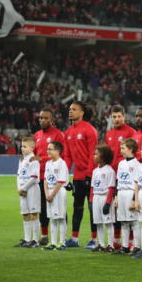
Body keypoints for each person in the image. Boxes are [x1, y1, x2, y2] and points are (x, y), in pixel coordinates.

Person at [64, 101, 98, 249]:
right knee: (77, 207)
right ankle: (74, 238)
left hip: (89, 176)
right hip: (77, 177)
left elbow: (93, 154)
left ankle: (94, 239)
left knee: (92, 207)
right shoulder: (68, 132)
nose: (71, 112)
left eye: (74, 109)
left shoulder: (89, 130)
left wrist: (89, 175)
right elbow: (68, 157)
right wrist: (64, 175)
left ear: (82, 112)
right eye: (70, 109)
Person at [105, 105, 135, 249]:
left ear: (124, 117)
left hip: (126, 177)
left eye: (119, 116)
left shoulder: (131, 132)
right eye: (114, 117)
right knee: (116, 211)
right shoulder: (109, 133)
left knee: (129, 213)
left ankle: (130, 242)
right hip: (112, 175)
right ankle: (117, 241)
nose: (117, 119)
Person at [33, 108, 65, 246]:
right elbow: (34, 155)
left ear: (51, 120)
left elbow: (61, 155)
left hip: (54, 177)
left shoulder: (58, 135)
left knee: (59, 209)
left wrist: (41, 158)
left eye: (45, 118)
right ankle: (45, 236)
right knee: (42, 208)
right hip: (41, 177)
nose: (42, 120)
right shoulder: (37, 135)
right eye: (40, 118)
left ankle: (61, 239)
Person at [113, 138, 140, 255]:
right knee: (123, 222)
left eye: (123, 148)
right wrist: (116, 197)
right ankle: (124, 247)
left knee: (134, 222)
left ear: (131, 149)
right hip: (121, 193)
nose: (121, 150)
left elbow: (137, 183)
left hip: (130, 192)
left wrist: (134, 199)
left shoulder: (137, 164)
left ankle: (137, 246)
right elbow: (118, 181)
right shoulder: (121, 163)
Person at [14, 137, 41, 248]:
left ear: (32, 147)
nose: (22, 148)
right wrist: (20, 189)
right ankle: (27, 239)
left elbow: (34, 178)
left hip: (32, 189)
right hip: (23, 191)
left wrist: (24, 188)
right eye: (21, 146)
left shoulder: (34, 159)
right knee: (25, 214)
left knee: (34, 214)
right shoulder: (21, 160)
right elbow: (18, 176)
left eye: (25, 146)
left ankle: (35, 240)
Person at [42, 141, 69, 251]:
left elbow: (61, 181)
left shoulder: (62, 164)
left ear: (57, 151)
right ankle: (52, 242)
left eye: (50, 149)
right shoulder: (48, 164)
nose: (47, 151)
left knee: (61, 218)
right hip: (50, 192)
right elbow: (45, 180)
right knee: (52, 218)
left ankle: (62, 242)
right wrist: (46, 194)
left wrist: (52, 194)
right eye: (47, 149)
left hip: (58, 192)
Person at [89, 145, 116, 253]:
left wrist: (108, 203)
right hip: (96, 197)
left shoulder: (109, 171)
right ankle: (101, 244)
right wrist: (91, 201)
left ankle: (110, 244)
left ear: (103, 157)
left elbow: (111, 188)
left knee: (108, 223)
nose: (94, 156)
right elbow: (92, 187)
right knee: (98, 222)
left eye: (96, 154)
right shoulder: (95, 171)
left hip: (104, 198)